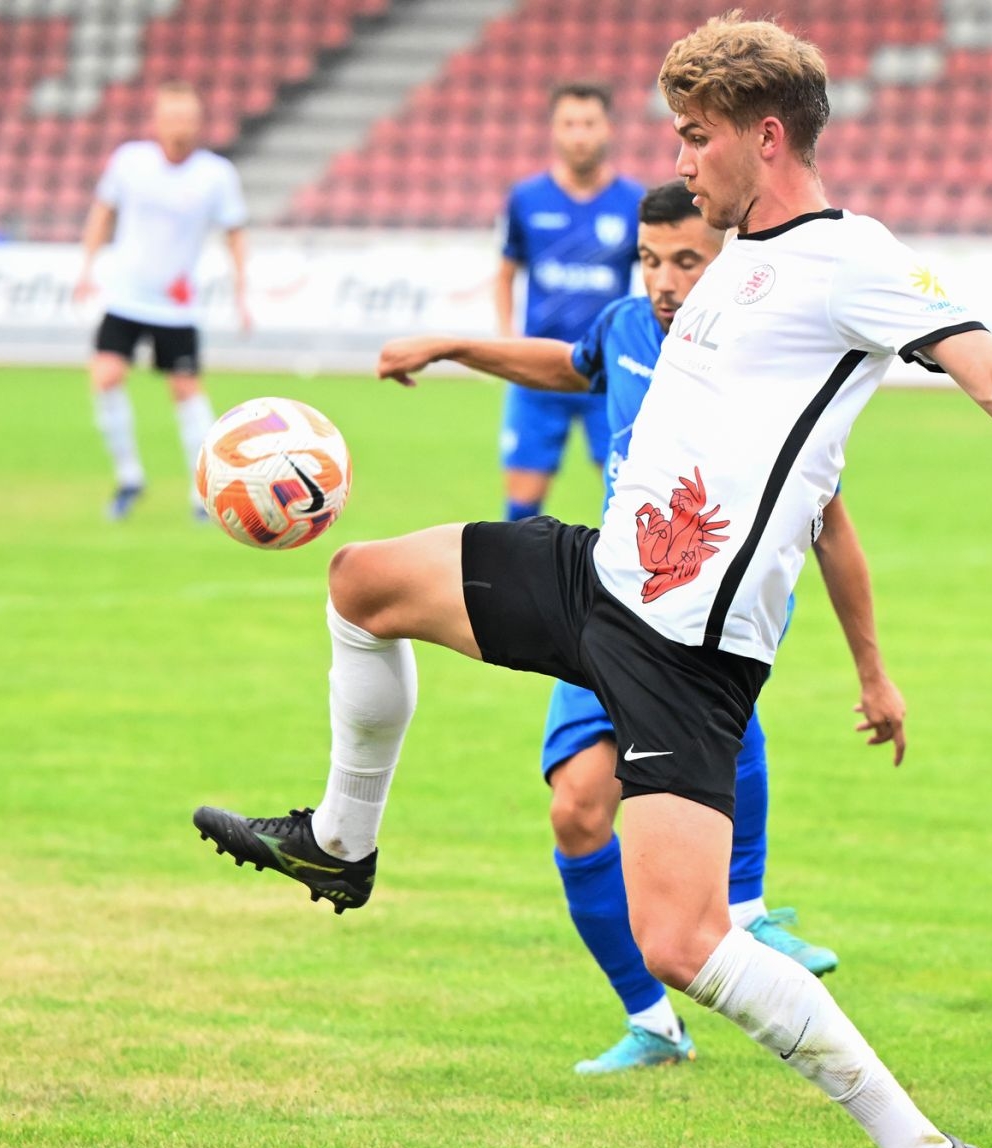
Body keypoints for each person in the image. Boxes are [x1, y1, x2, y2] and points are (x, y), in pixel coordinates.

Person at [193, 11, 992, 1148]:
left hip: (688, 657)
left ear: (767, 136)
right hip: (599, 573)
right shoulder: (722, 257)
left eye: (696, 138)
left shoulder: (850, 259)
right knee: (360, 581)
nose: (682, 161)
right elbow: (605, 368)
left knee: (686, 942)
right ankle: (339, 840)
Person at [379, 182, 912, 1075]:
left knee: (713, 705)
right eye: (650, 260)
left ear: (731, 263)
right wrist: (457, 345)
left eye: (687, 261)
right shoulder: (628, 324)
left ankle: (748, 908)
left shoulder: (758, 357)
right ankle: (654, 1022)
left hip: (703, 610)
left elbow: (832, 523)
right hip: (609, 593)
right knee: (576, 811)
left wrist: (873, 672)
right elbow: (570, 365)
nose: (663, 282)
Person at [74, 82, 249, 521]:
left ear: (200, 124)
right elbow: (103, 211)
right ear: (156, 122)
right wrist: (87, 267)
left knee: (186, 390)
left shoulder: (215, 175)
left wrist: (241, 291)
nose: (180, 127)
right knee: (105, 377)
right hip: (126, 296)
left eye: (188, 118)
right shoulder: (130, 162)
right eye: (172, 117)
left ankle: (202, 493)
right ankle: (130, 477)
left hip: (176, 304)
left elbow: (235, 234)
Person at [495, 83, 645, 522]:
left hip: (606, 372)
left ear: (608, 129)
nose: (579, 134)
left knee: (630, 495)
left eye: (589, 124)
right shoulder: (526, 198)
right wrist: (507, 341)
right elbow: (506, 272)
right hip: (538, 369)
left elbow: (659, 275)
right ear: (554, 130)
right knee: (520, 507)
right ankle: (515, 591)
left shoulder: (634, 202)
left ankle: (625, 587)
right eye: (569, 124)